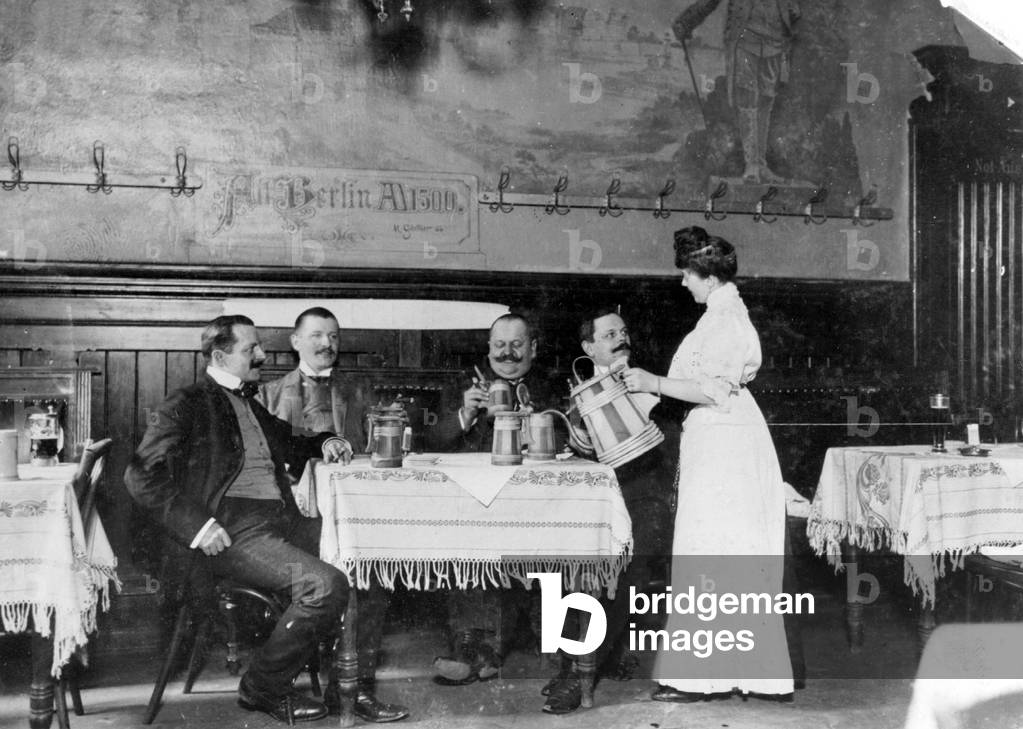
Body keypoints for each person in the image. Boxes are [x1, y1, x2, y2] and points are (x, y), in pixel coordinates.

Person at [125, 315, 351, 723]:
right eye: (252, 350)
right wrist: (199, 527)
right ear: (219, 355)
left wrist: (328, 440)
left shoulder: (246, 401)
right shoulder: (188, 403)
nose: (263, 355)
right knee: (324, 584)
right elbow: (140, 475)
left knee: (357, 554)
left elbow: (293, 442)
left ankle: (351, 690)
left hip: (277, 523)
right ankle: (262, 688)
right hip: (230, 532)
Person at [622, 226, 793, 701]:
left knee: (715, 546)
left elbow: (715, 390)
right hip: (720, 439)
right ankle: (723, 673)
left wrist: (652, 381)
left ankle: (706, 678)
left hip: (727, 443)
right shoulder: (720, 315)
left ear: (708, 277)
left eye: (687, 274)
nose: (683, 283)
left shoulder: (724, 322)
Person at [258, 307, 409, 723]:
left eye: (335, 337)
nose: (328, 344)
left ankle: (358, 688)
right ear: (295, 342)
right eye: (318, 335)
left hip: (350, 518)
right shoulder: (266, 396)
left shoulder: (358, 393)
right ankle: (284, 688)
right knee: (321, 580)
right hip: (292, 525)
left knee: (372, 575)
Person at [539, 307, 680, 715]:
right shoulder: (579, 393)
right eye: (609, 334)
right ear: (588, 348)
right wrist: (579, 432)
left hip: (647, 500)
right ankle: (576, 661)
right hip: (599, 502)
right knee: (572, 571)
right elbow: (581, 452)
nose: (621, 338)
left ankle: (581, 672)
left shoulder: (653, 384)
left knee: (619, 576)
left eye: (623, 331)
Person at [430, 313, 566, 685]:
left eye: (517, 345)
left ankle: (512, 646)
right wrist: (468, 413)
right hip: (479, 502)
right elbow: (435, 442)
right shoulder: (464, 385)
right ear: (488, 349)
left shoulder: (553, 387)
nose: (507, 354)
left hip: (540, 503)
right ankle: (471, 646)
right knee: (468, 544)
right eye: (499, 346)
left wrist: (534, 421)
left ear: (533, 349)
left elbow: (570, 441)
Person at [672, 0, 801, 183]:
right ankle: (751, 166)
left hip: (775, 41)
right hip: (745, 39)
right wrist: (685, 22)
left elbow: (793, 10)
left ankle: (761, 164)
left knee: (766, 101)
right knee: (748, 100)